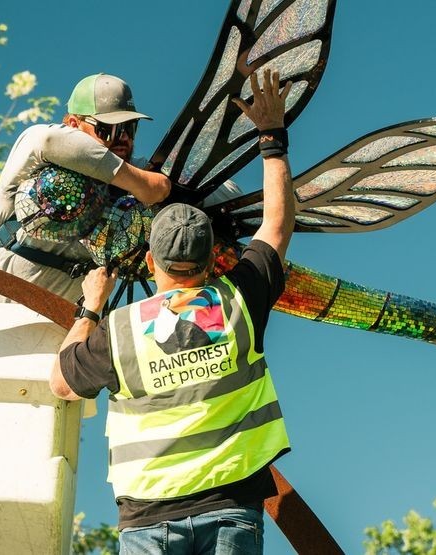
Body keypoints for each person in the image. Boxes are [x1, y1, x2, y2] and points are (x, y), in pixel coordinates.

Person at [51, 69, 294, 555]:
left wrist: (90, 306)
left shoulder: (121, 331)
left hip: (148, 519)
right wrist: (272, 139)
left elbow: (61, 382)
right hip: (231, 509)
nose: (122, 138)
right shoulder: (239, 301)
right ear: (210, 262)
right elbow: (277, 225)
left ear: (149, 262)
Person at [0, 73, 171, 302]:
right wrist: (147, 184)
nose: (123, 138)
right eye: (108, 129)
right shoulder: (35, 146)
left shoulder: (137, 168)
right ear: (73, 125)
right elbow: (48, 140)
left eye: (130, 128)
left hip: (60, 321)